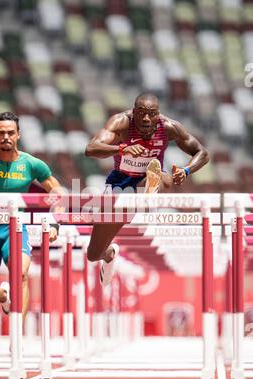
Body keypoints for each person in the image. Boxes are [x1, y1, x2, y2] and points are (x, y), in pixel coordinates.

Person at [85, 93, 209, 286]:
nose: (145, 118)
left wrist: (186, 170)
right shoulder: (121, 122)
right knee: (93, 254)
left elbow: (202, 153)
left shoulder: (168, 127)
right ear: (134, 112)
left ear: (158, 115)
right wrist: (121, 148)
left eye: (151, 114)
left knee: (162, 179)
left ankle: (149, 191)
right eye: (141, 113)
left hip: (151, 179)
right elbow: (91, 149)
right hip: (120, 184)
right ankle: (109, 255)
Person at [0, 111, 62, 319]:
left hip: (14, 228)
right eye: (1, 133)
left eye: (10, 132)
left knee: (21, 273)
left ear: (18, 135)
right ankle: (2, 294)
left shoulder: (32, 164)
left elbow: (58, 192)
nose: (5, 137)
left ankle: (17, 339)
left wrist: (55, 222)